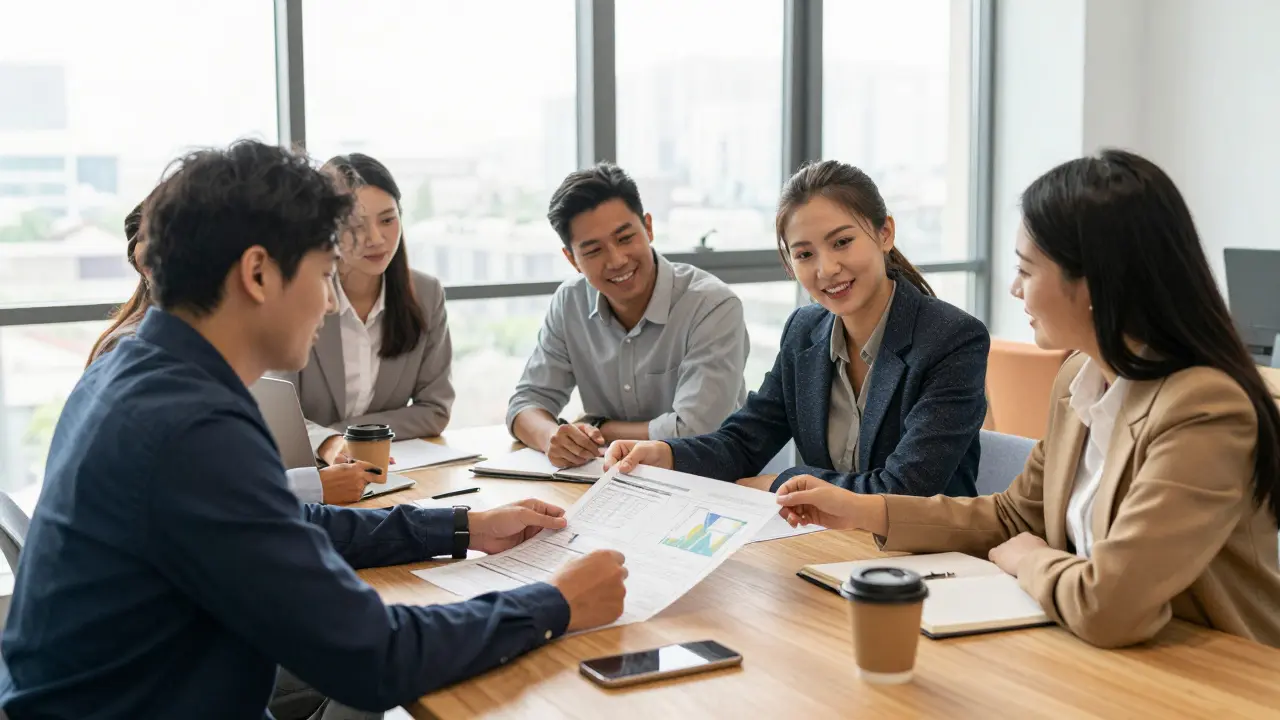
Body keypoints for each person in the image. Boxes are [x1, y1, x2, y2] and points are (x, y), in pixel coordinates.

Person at [0, 140, 629, 719]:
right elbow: (372, 656)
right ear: (257, 273)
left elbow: (286, 524)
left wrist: (463, 526)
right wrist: (557, 603)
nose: (331, 301)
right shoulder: (189, 425)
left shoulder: (143, 371)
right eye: (326, 271)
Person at [770, 150, 1280, 649]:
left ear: (1097, 282)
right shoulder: (1081, 377)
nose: (1015, 289)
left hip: (1218, 679)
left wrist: (1029, 559)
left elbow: (1109, 605)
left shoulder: (1205, 409)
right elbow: (1014, 517)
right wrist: (863, 510)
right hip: (1097, 656)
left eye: (1027, 270)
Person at [606, 160, 988, 497]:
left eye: (842, 242)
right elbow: (745, 441)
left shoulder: (952, 340)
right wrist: (668, 454)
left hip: (927, 562)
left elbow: (905, 490)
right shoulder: (805, 331)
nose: (827, 268)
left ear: (884, 233)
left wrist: (782, 484)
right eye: (805, 254)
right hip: (824, 548)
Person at [81, 180, 388, 506]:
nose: (330, 303)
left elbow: (218, 501)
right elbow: (219, 507)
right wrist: (310, 488)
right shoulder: (153, 372)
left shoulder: (174, 357)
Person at [507, 163, 750, 468]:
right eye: (593, 251)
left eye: (625, 238)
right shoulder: (569, 303)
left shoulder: (712, 305)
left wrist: (600, 427)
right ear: (572, 259)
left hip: (709, 478)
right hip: (616, 482)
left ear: (648, 227)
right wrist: (552, 437)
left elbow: (697, 430)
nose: (617, 260)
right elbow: (526, 403)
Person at [275, 154, 454, 466]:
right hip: (311, 476)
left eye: (387, 220)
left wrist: (345, 437)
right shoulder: (296, 296)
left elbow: (435, 410)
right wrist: (331, 444)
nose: (375, 239)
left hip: (392, 470)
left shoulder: (426, 294)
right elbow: (278, 417)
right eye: (355, 225)